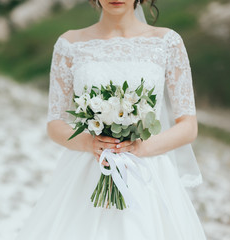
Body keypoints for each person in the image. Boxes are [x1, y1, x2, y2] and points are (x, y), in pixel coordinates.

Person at [15, 0, 207, 239]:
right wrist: (89, 143)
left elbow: (188, 127)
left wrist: (141, 147)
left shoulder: (167, 42)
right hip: (87, 171)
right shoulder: (70, 44)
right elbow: (55, 124)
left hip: (146, 172)